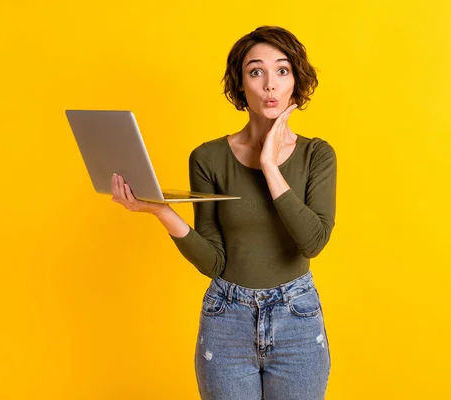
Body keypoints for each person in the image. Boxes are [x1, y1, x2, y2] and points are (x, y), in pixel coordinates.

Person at [111, 25, 336, 400]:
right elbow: (214, 262)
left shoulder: (317, 155)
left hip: (296, 317)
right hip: (226, 318)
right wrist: (160, 211)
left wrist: (269, 165)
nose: (270, 85)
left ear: (296, 82)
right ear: (240, 84)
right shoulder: (208, 158)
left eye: (282, 70)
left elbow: (313, 242)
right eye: (255, 71)